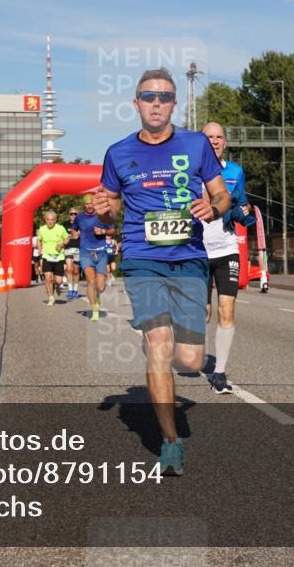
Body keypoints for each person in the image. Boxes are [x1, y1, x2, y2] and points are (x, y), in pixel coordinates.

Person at [93, 68, 230, 475]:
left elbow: (221, 193)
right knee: (159, 344)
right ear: (136, 104)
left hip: (189, 256)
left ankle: (163, 350)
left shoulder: (196, 144)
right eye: (149, 96)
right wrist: (106, 210)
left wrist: (214, 207)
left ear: (174, 104)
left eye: (165, 97)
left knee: (188, 361)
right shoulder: (117, 152)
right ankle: (171, 443)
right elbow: (113, 206)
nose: (157, 103)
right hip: (142, 257)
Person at [201, 122, 258, 394]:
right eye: (209, 137)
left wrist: (244, 213)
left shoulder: (235, 171)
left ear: (225, 142)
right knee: (202, 313)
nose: (214, 141)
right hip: (196, 251)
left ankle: (219, 373)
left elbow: (240, 209)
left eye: (219, 137)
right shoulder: (187, 171)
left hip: (226, 249)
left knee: (227, 309)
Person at [71, 194, 115, 321]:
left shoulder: (103, 215)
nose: (89, 205)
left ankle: (98, 296)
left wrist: (103, 232)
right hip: (86, 252)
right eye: (87, 203)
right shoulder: (79, 217)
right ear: (84, 205)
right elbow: (74, 229)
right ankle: (94, 309)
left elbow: (113, 231)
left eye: (91, 203)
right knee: (90, 281)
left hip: (101, 252)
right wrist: (75, 234)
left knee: (100, 286)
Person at [36, 210, 69, 306]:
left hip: (58, 257)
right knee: (47, 277)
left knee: (58, 280)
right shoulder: (42, 229)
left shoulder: (61, 228)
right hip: (46, 255)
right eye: (48, 219)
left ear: (55, 220)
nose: (50, 221)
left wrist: (62, 244)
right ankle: (51, 297)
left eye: (52, 220)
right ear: (45, 220)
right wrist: (39, 249)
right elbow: (39, 240)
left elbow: (67, 238)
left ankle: (56, 285)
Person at [64, 207, 81, 299]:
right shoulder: (65, 224)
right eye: (71, 214)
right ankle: (70, 290)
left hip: (78, 249)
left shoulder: (80, 224)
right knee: (69, 269)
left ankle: (75, 289)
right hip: (68, 248)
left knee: (76, 270)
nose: (73, 215)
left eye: (75, 214)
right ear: (69, 215)